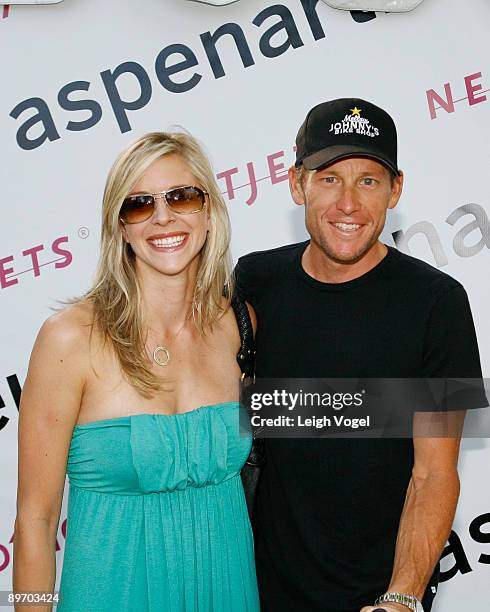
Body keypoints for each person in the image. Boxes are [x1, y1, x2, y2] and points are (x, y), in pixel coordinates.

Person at [235, 98, 487, 612]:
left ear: (396, 189)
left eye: (369, 181)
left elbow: (435, 472)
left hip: (378, 595)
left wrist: (401, 597)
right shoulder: (253, 280)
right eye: (329, 178)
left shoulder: (439, 303)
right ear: (295, 182)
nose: (347, 203)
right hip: (257, 589)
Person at [13, 131, 260, 612]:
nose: (164, 217)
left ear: (209, 213)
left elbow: (333, 418)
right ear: (120, 227)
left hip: (228, 593)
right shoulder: (70, 339)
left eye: (182, 197)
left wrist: (433, 408)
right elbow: (35, 521)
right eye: (139, 204)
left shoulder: (238, 327)